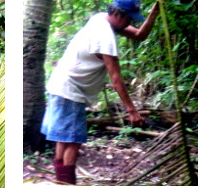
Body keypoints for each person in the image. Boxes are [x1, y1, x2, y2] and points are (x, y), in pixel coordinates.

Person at [41, 0, 159, 184]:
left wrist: (153, 14)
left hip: (61, 85)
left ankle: (61, 182)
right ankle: (67, 183)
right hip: (70, 90)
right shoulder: (106, 37)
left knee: (63, 139)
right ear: (118, 15)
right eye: (129, 18)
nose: (130, 23)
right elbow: (116, 78)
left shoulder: (100, 19)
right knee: (73, 140)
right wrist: (131, 110)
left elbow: (139, 35)